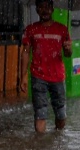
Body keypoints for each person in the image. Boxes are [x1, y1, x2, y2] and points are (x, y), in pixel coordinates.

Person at [20, 0, 73, 133]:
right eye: (41, 7)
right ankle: (40, 148)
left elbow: (68, 55)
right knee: (40, 112)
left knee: (61, 115)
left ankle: (56, 141)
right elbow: (25, 52)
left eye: (47, 7)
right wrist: (23, 75)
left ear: (52, 9)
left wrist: (68, 49)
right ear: (37, 9)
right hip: (38, 76)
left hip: (58, 77)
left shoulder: (62, 29)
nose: (45, 10)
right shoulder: (31, 29)